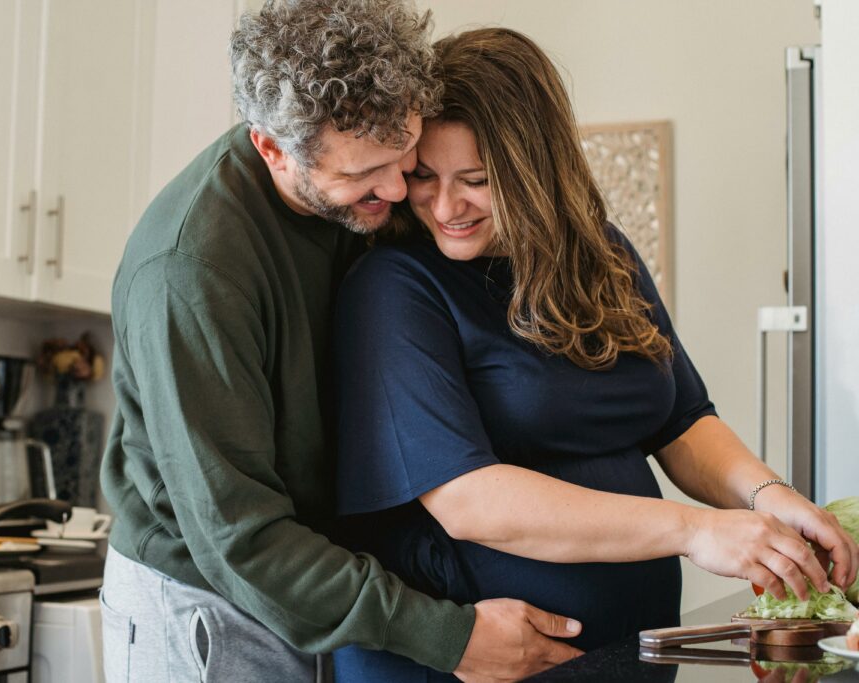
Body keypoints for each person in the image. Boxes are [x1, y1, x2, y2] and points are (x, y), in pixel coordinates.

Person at [332, 27, 859, 682]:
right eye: (423, 177)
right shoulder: (395, 287)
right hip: (471, 666)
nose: (444, 205)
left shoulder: (600, 252)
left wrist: (765, 493)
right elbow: (470, 499)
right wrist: (696, 530)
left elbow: (682, 418)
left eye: (476, 179)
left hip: (624, 657)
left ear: (534, 172)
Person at [99, 4, 585, 682]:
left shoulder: (361, 197)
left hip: (323, 585)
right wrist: (450, 636)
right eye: (365, 173)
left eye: (403, 156)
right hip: (211, 605)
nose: (395, 188)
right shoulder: (191, 274)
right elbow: (242, 539)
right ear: (272, 147)